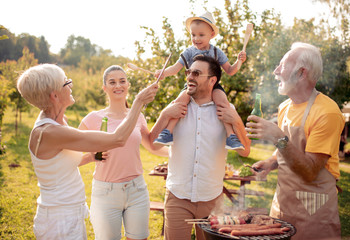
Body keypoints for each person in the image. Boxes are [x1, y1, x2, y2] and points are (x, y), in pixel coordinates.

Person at [16, 64, 158, 240]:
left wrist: (91, 156)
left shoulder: (57, 122)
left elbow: (63, 159)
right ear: (54, 96)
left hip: (69, 213)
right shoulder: (52, 132)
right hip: (60, 220)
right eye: (66, 82)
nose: (71, 85)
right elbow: (118, 139)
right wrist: (138, 102)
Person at [246, 42, 345, 240]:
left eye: (282, 65)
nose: (275, 71)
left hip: (314, 214)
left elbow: (310, 171)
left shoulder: (327, 112)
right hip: (282, 207)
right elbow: (287, 149)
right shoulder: (285, 107)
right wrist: (270, 163)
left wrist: (277, 137)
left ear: (301, 73)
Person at [150, 55, 251, 240]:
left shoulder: (227, 110)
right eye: (188, 72)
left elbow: (245, 151)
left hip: (211, 200)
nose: (189, 77)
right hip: (177, 197)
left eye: (196, 73)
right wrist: (164, 114)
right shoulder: (175, 108)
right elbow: (152, 145)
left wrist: (236, 120)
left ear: (212, 80)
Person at [78, 65, 168, 240]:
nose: (118, 85)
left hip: (137, 189)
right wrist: (90, 156)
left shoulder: (137, 116)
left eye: (122, 81)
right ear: (105, 88)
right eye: (112, 82)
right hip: (106, 193)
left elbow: (151, 146)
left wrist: (176, 153)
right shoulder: (92, 118)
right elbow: (70, 155)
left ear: (128, 85)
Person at [153, 11, 247, 150]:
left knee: (223, 103)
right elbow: (175, 68)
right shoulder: (189, 52)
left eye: (201, 35)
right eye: (193, 35)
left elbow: (230, 71)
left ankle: (231, 136)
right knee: (179, 102)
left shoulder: (216, 52)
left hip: (213, 85)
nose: (196, 38)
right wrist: (163, 73)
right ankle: (168, 132)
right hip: (192, 85)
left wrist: (239, 61)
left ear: (212, 35)